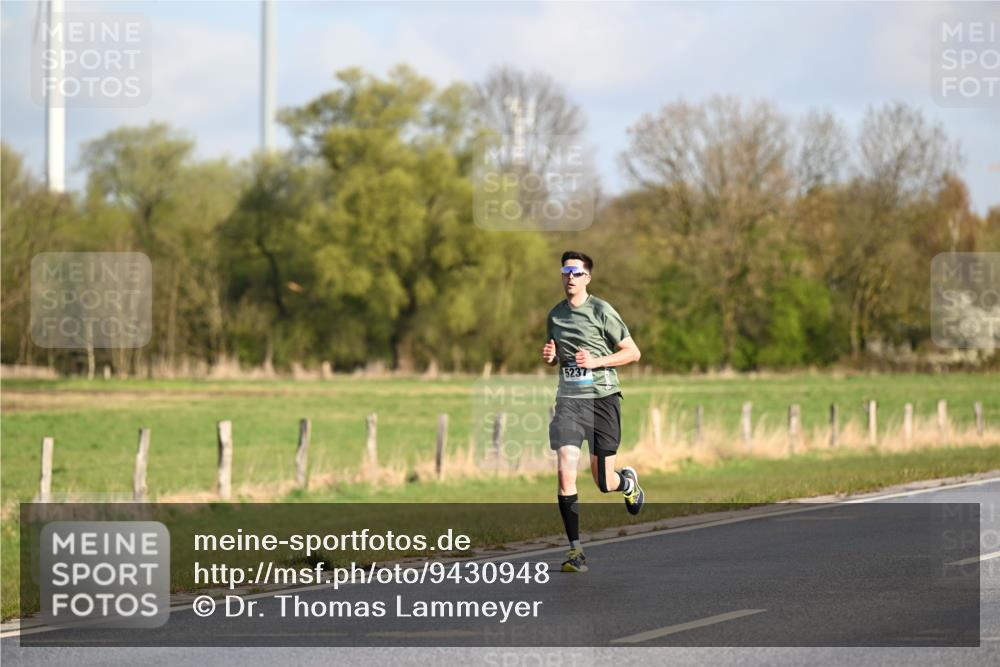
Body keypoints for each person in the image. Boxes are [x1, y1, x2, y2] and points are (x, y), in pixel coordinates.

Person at [542, 251, 644, 573]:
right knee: (565, 474)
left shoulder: (602, 310)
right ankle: (576, 551)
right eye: (565, 271)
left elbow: (633, 353)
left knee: (603, 481)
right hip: (569, 401)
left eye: (576, 272)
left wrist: (596, 362)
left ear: (587, 277)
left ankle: (626, 483)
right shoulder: (555, 316)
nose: (570, 277)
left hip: (603, 399)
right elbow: (559, 356)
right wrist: (551, 357)